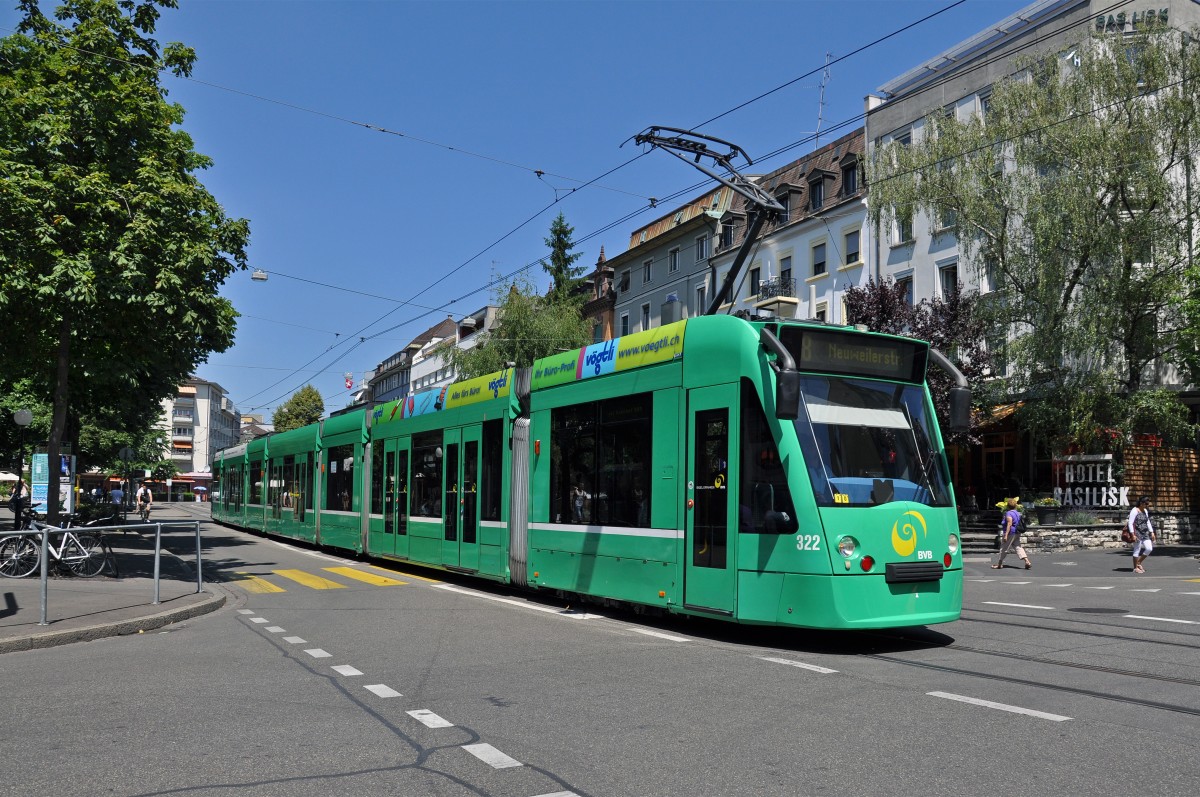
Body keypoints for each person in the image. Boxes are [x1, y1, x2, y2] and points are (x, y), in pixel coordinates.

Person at [992, 497, 1032, 570]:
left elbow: (1009, 524)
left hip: (1011, 533)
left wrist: (1006, 535)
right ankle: (1027, 561)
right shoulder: (1017, 513)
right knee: (1018, 547)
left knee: (1004, 548)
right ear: (1015, 505)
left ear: (1007, 506)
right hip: (1017, 532)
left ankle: (999, 564)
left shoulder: (1009, 513)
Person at [1128, 495, 1156, 574]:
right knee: (1137, 550)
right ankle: (1135, 568)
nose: (1147, 506)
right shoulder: (1134, 510)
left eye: (1148, 504)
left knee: (1149, 548)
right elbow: (1130, 523)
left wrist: (1152, 532)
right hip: (1137, 533)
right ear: (1141, 503)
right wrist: (1132, 534)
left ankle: (1139, 562)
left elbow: (1148, 522)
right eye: (1146, 504)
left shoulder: (1145, 511)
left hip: (1145, 533)